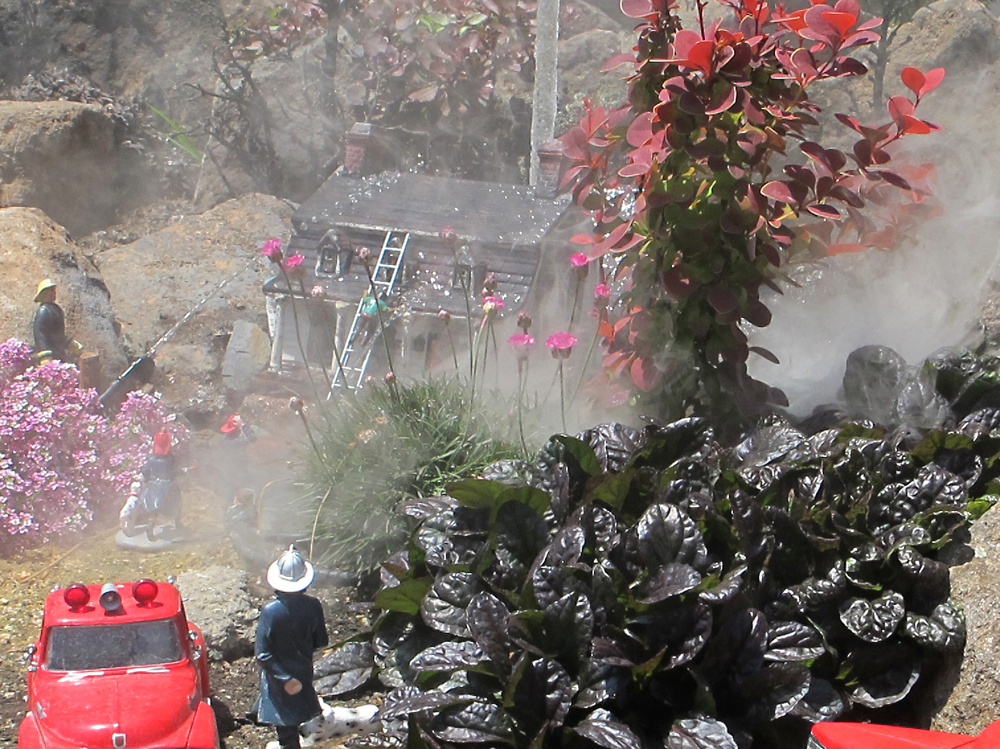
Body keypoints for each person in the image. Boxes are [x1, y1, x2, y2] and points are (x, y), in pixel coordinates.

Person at [255, 545, 329, 749]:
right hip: (302, 669)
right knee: (292, 711)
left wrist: (284, 677)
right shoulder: (313, 605)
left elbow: (263, 653)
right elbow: (321, 641)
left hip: (279, 675)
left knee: (286, 725)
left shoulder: (270, 611)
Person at [140, 430, 183, 539]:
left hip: (155, 486)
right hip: (169, 486)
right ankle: (178, 524)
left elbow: (145, 471)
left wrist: (147, 479)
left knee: (155, 510)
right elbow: (174, 471)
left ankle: (150, 528)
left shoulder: (152, 460)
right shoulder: (171, 459)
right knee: (176, 504)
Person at [32, 279, 82, 364]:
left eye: (53, 291)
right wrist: (44, 355)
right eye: (50, 291)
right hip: (50, 353)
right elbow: (40, 334)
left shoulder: (56, 309)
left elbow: (58, 333)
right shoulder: (43, 311)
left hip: (59, 351)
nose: (53, 293)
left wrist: (70, 344)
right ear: (44, 293)